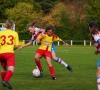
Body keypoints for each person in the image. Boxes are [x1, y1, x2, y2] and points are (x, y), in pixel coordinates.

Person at [0, 20, 19, 89]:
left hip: (1, 53)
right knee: (11, 68)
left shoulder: (1, 33)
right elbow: (16, 46)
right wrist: (12, 48)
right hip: (9, 53)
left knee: (4, 68)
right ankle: (5, 81)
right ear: (12, 26)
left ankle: (3, 82)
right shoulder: (15, 33)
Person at [89, 21, 100, 90]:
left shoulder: (95, 35)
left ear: (89, 28)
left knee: (98, 74)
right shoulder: (97, 33)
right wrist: (98, 50)